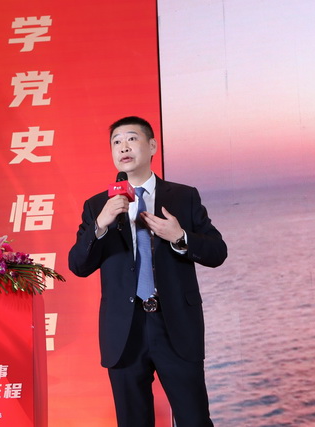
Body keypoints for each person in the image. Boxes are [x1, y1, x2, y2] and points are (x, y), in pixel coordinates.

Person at [68, 116, 227, 426]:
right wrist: (100, 225)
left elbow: (217, 252)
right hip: (124, 331)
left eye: (131, 139)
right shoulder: (98, 205)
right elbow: (78, 265)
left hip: (176, 325)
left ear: (152, 146)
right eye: (116, 142)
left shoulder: (183, 197)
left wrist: (179, 237)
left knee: (194, 419)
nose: (123, 147)